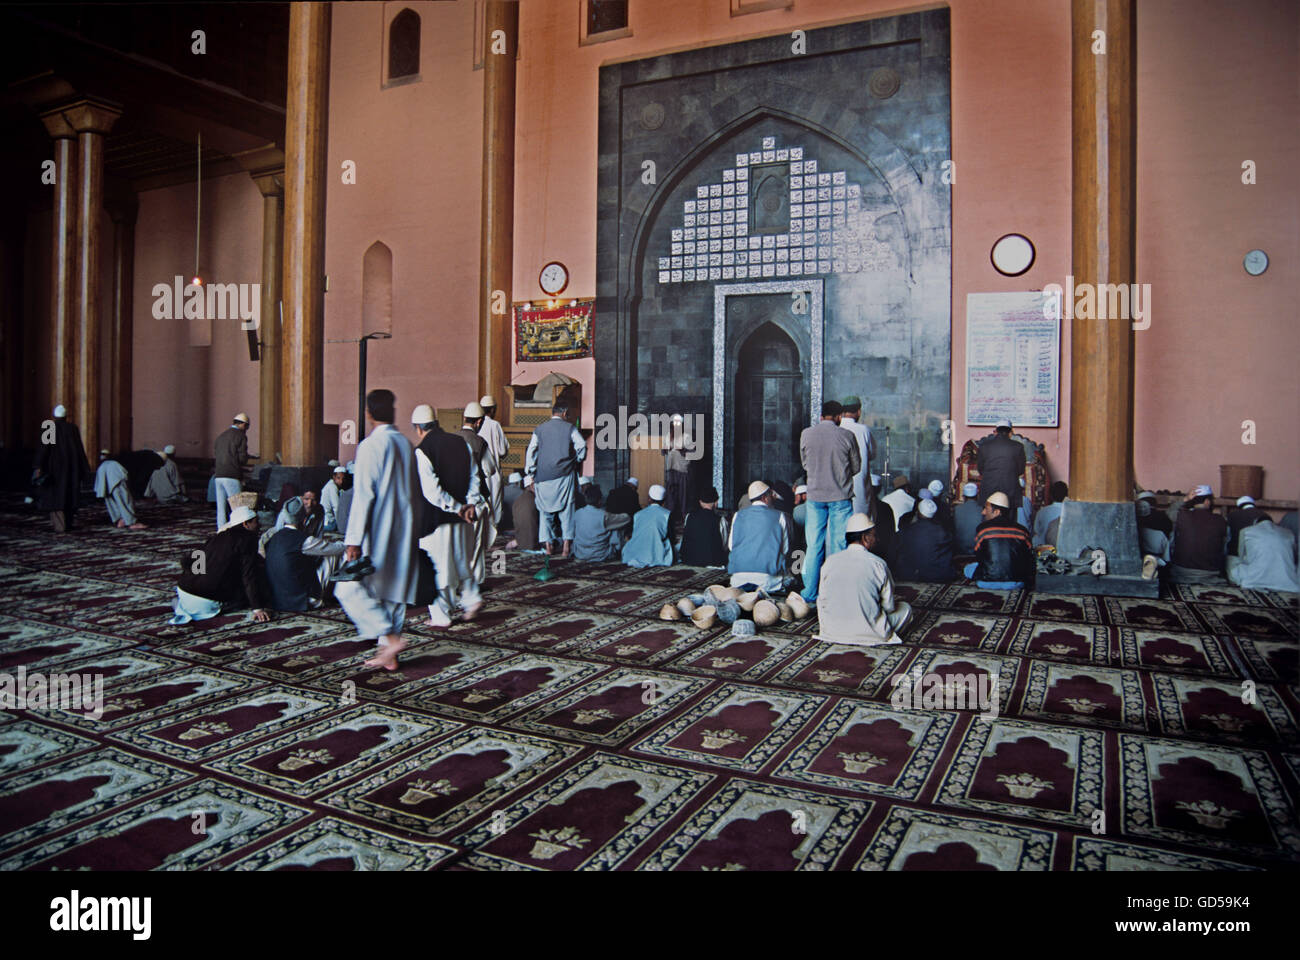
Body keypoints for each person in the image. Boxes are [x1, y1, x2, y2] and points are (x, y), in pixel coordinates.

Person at [337, 389, 421, 671]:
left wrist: (353, 540)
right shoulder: (406, 444)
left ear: (368, 413)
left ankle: (388, 636)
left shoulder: (370, 446)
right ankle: (389, 655)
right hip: (405, 529)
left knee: (348, 588)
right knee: (394, 593)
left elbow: (364, 496)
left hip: (379, 530)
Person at [412, 403, 484, 628]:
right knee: (462, 561)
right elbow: (475, 476)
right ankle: (472, 600)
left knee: (438, 568)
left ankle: (441, 615)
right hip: (463, 518)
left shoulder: (423, 450)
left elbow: (432, 492)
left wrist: (457, 508)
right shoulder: (461, 443)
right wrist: (470, 504)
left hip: (438, 520)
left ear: (418, 428)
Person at [814, 513, 912, 646]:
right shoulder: (878, 564)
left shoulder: (830, 561)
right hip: (870, 633)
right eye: (874, 535)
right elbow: (889, 607)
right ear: (865, 538)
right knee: (906, 609)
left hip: (832, 631)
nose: (876, 539)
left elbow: (822, 600)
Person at [799, 400, 860, 603]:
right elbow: (856, 467)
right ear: (838, 416)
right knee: (838, 546)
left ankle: (809, 592)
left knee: (813, 546)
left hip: (815, 497)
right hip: (840, 497)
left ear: (821, 416)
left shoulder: (806, 434)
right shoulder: (847, 435)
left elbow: (806, 464)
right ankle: (834, 592)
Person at [169, 505, 270, 624]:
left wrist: (198, 577)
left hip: (183, 589)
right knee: (241, 598)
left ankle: (184, 605)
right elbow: (248, 575)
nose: (259, 525)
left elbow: (187, 560)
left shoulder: (218, 536)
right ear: (245, 524)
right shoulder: (247, 540)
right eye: (256, 522)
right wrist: (257, 608)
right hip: (204, 600)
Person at [525, 399, 587, 558]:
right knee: (567, 511)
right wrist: (578, 460)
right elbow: (581, 445)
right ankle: (566, 548)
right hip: (564, 475)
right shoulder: (569, 428)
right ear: (565, 413)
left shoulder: (539, 429)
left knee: (544, 513)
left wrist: (531, 473)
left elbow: (531, 451)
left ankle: (548, 546)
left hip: (543, 477)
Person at [264, 497, 346, 611]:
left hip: (278, 599)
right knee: (331, 555)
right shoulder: (303, 540)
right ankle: (331, 595)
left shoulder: (274, 537)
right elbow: (334, 549)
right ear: (304, 519)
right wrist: (347, 544)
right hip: (300, 599)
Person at [32, 404, 91, 533]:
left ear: (53, 416)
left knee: (56, 497)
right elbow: (80, 450)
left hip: (55, 470)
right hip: (71, 470)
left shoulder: (49, 427)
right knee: (69, 495)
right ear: (66, 417)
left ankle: (60, 526)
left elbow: (44, 449)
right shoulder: (72, 428)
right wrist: (84, 469)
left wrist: (38, 466)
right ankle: (68, 523)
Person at [727, 480, 792, 592]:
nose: (773, 497)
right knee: (790, 575)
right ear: (765, 498)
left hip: (737, 580)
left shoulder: (737, 515)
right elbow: (785, 549)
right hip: (767, 580)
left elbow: (731, 546)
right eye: (771, 495)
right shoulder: (779, 516)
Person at [963, 491, 1034, 589]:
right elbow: (1028, 557)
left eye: (986, 509)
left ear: (997, 512)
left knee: (968, 568)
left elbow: (979, 556)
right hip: (1016, 583)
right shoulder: (1022, 530)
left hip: (986, 582)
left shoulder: (983, 529)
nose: (983, 512)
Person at [460, 402, 498, 579]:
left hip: (457, 500)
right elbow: (489, 469)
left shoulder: (453, 438)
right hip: (475, 499)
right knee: (476, 543)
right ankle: (474, 582)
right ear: (479, 421)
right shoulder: (479, 442)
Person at [1167, 485, 1228, 583]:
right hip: (1210, 573)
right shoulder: (1220, 520)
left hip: (1182, 571)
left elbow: (1169, 511)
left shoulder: (1182, 516)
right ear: (1207, 501)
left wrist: (1185, 499)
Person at [1226, 516, 1298, 593]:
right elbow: (1293, 558)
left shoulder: (1246, 531)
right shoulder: (1288, 533)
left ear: (1256, 523)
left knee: (1229, 560)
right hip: (1287, 579)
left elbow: (1241, 555)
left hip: (1255, 577)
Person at [893, 497, 956, 581]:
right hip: (937, 575)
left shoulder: (906, 530)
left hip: (910, 574)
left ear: (918, 512)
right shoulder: (942, 531)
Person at [976, 418, 1026, 512]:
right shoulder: (1018, 446)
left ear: (996, 431)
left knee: (989, 520)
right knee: (1009, 522)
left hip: (989, 489)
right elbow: (1020, 470)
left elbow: (980, 469)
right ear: (1010, 432)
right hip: (1010, 490)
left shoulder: (984, 446)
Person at [572, 486, 632, 562]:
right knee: (615, 526)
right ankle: (620, 552)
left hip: (580, 553)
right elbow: (627, 518)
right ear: (599, 500)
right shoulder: (604, 515)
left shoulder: (578, 513)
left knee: (610, 525)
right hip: (600, 554)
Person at [213, 412, 251, 529]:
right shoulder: (240, 436)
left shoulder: (221, 436)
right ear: (243, 425)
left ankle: (221, 530)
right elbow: (242, 458)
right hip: (232, 475)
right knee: (237, 508)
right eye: (247, 427)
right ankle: (238, 531)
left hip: (218, 475)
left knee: (221, 508)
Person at [621, 483, 673, 568]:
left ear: (649, 499)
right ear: (664, 501)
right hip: (656, 554)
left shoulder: (638, 514)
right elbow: (671, 536)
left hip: (634, 552)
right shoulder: (667, 514)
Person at [478, 394, 510, 528]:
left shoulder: (477, 424)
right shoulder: (494, 425)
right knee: (495, 507)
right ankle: (494, 537)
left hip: (479, 473)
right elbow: (503, 451)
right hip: (493, 472)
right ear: (492, 410)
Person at [838, 396, 875, 514]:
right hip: (859, 490)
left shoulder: (837, 429)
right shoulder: (863, 430)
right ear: (859, 411)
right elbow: (872, 454)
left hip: (839, 491)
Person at [94, 451, 147, 530]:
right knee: (125, 500)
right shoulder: (114, 463)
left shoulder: (102, 465)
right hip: (116, 479)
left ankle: (120, 519)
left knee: (111, 501)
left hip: (106, 479)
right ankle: (131, 522)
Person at [679, 485, 728, 567]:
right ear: (716, 502)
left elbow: (686, 538)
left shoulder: (689, 516)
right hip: (713, 561)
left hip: (689, 560)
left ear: (700, 502)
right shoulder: (720, 520)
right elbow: (724, 545)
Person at [662, 413, 692, 521]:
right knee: (670, 496)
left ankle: (684, 520)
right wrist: (666, 449)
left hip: (682, 470)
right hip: (670, 469)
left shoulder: (687, 437)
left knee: (683, 496)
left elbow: (692, 452)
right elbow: (662, 452)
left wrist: (682, 449)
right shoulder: (667, 436)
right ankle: (669, 519)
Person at [1033, 481, 1069, 547]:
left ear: (1050, 495)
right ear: (1067, 495)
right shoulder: (1070, 512)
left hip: (1044, 549)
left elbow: (1036, 531)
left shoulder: (1042, 512)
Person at [510, 476, 541, 551]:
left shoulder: (518, 500)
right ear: (532, 486)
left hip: (520, 541)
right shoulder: (536, 500)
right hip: (534, 543)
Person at [953, 481, 982, 555]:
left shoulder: (957, 509)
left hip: (960, 549)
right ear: (977, 496)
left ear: (964, 497)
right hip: (978, 549)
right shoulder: (982, 510)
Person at [321, 465, 347, 532]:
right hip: (329, 522)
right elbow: (336, 507)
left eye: (343, 479)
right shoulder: (332, 487)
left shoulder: (331, 485)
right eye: (338, 478)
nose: (341, 481)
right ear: (334, 477)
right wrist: (340, 525)